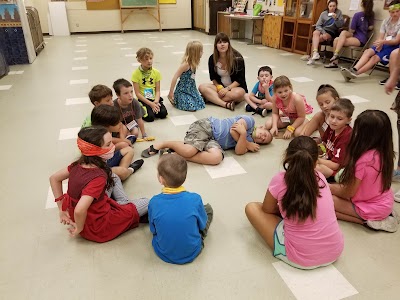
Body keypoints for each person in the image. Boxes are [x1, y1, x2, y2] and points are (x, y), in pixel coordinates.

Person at [245, 136, 344, 269]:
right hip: (334, 251)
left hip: (301, 258)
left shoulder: (280, 180)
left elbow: (267, 209)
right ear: (316, 162)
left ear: (286, 156)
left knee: (252, 208)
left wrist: (284, 208)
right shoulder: (320, 177)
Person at [49, 126, 150, 243]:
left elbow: (54, 178)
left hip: (85, 215)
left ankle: (123, 205)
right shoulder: (98, 178)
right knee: (146, 202)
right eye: (108, 145)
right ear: (94, 150)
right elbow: (80, 210)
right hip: (97, 227)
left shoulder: (77, 164)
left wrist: (62, 210)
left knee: (113, 176)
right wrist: (79, 229)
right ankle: (125, 209)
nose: (113, 146)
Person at [329, 110, 399, 232]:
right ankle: (380, 217)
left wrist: (327, 187)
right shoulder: (385, 152)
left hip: (370, 206)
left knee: (322, 202)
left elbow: (348, 192)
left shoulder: (364, 160)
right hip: (384, 201)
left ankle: (368, 221)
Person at [148, 154, 213, 264]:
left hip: (163, 252)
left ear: (161, 179)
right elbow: (202, 225)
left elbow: (153, 230)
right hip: (193, 251)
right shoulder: (195, 199)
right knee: (208, 209)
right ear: (185, 177)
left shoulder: (154, 202)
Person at [141, 115, 272, 165]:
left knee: (216, 158)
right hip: (207, 127)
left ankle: (175, 153)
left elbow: (238, 152)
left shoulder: (247, 140)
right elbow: (233, 130)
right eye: (264, 134)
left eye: (263, 141)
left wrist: (244, 138)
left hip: (214, 141)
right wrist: (245, 140)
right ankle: (164, 143)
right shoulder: (250, 121)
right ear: (261, 127)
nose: (262, 137)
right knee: (189, 150)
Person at [341, 3, 400, 81]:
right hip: (385, 42)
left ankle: (355, 74)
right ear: (389, 12)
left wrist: (382, 42)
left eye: (397, 11)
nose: (395, 14)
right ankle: (354, 69)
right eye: (392, 12)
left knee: (374, 58)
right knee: (368, 51)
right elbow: (381, 37)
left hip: (394, 46)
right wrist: (379, 44)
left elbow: (396, 41)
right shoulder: (386, 21)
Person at [91, 105, 144, 181]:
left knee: (127, 148)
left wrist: (122, 141)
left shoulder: (104, 132)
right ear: (106, 125)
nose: (120, 124)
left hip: (106, 158)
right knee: (128, 153)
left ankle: (122, 171)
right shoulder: (99, 138)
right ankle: (128, 171)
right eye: (117, 122)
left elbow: (122, 128)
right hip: (102, 166)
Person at [198, 32, 247, 111]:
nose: (222, 45)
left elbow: (239, 79)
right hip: (220, 87)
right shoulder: (212, 58)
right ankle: (225, 104)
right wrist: (219, 87)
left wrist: (227, 89)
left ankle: (210, 98)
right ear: (216, 45)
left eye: (225, 42)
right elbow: (213, 78)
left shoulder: (237, 58)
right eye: (219, 42)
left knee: (237, 94)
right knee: (202, 87)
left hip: (235, 87)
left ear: (228, 44)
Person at [325, 0, 374, 68]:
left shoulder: (357, 15)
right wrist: (364, 27)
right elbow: (371, 27)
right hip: (363, 37)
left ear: (362, 4)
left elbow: (352, 30)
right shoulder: (371, 14)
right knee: (338, 37)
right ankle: (335, 58)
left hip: (358, 38)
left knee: (339, 38)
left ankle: (335, 57)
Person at [316, 98, 354, 178]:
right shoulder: (332, 127)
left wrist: (314, 159)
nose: (333, 121)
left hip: (340, 171)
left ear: (348, 120)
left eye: (339, 119)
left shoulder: (346, 136)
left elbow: (336, 165)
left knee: (315, 167)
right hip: (329, 159)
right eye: (332, 116)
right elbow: (324, 143)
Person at [131, 47, 168, 122]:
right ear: (139, 60)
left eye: (151, 58)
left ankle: (153, 108)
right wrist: (150, 104)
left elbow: (157, 90)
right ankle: (139, 108)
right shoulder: (135, 74)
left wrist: (156, 102)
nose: (149, 61)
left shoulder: (156, 72)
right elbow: (137, 94)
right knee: (150, 118)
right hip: (143, 99)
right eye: (146, 59)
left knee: (163, 114)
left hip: (154, 98)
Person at [168, 41, 205, 112]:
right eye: (201, 51)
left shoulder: (194, 63)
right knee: (191, 106)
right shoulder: (186, 64)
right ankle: (176, 99)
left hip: (191, 89)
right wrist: (171, 92)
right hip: (183, 90)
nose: (202, 52)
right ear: (196, 53)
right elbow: (175, 77)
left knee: (200, 103)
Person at [307, 0, 344, 65]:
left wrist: (336, 19)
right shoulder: (323, 13)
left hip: (331, 32)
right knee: (315, 33)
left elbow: (340, 25)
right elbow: (318, 25)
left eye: (334, 6)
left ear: (336, 6)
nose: (332, 8)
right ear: (328, 6)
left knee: (316, 39)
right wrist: (323, 32)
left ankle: (313, 57)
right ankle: (315, 53)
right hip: (322, 30)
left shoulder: (339, 13)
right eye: (330, 6)